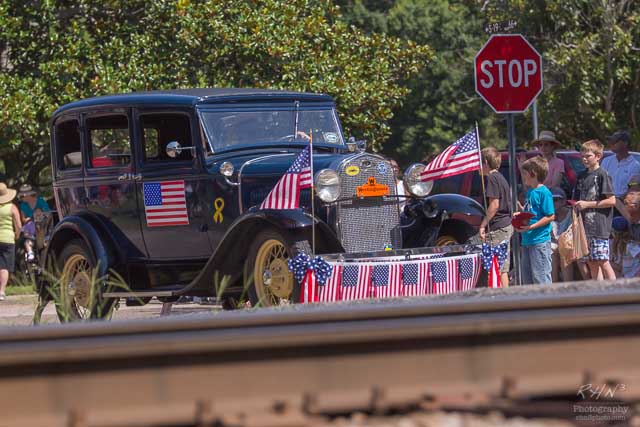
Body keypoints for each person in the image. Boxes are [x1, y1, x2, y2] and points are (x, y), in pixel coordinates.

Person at [573, 139, 617, 280]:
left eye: (588, 156)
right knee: (591, 262)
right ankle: (600, 294)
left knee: (603, 261)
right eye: (582, 156)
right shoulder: (581, 175)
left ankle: (616, 293)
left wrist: (587, 204)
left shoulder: (602, 174)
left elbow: (612, 200)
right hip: (584, 227)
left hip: (599, 227)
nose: (584, 159)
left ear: (598, 156)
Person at [515, 156, 555, 285]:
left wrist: (531, 227)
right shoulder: (530, 192)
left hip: (540, 242)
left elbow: (550, 216)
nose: (524, 177)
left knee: (541, 278)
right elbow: (532, 213)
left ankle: (546, 302)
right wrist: (521, 212)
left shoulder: (544, 192)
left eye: (525, 174)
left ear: (533, 174)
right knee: (528, 279)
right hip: (527, 241)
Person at [478, 147, 513, 287]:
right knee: (502, 266)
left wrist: (482, 224)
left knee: (498, 267)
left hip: (498, 227)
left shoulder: (492, 178)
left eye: (480, 162)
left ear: (486, 162)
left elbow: (494, 205)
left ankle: (504, 299)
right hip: (505, 225)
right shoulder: (500, 177)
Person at [601, 130, 640, 198]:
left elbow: (633, 188)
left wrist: (617, 202)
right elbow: (600, 182)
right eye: (610, 141)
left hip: (622, 204)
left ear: (625, 143)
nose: (611, 143)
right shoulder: (606, 161)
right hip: (603, 203)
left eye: (615, 141)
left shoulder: (635, 166)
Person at [0, 183, 22, 301]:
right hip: (8, 239)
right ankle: (1, 291)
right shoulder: (12, 207)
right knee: (4, 266)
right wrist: (17, 235)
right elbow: (18, 225)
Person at [17, 185, 50, 262]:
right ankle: (30, 254)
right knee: (26, 240)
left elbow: (48, 213)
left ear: (28, 195)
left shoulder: (40, 201)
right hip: (30, 226)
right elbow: (23, 219)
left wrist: (39, 216)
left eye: (23, 196)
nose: (21, 198)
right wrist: (29, 219)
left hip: (42, 226)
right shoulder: (23, 205)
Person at [549, 187, 574, 282]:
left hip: (569, 244)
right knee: (552, 255)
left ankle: (568, 286)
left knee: (564, 253)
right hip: (554, 245)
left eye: (556, 200)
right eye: (551, 200)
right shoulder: (549, 215)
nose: (553, 203)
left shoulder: (572, 214)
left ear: (563, 201)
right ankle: (554, 289)